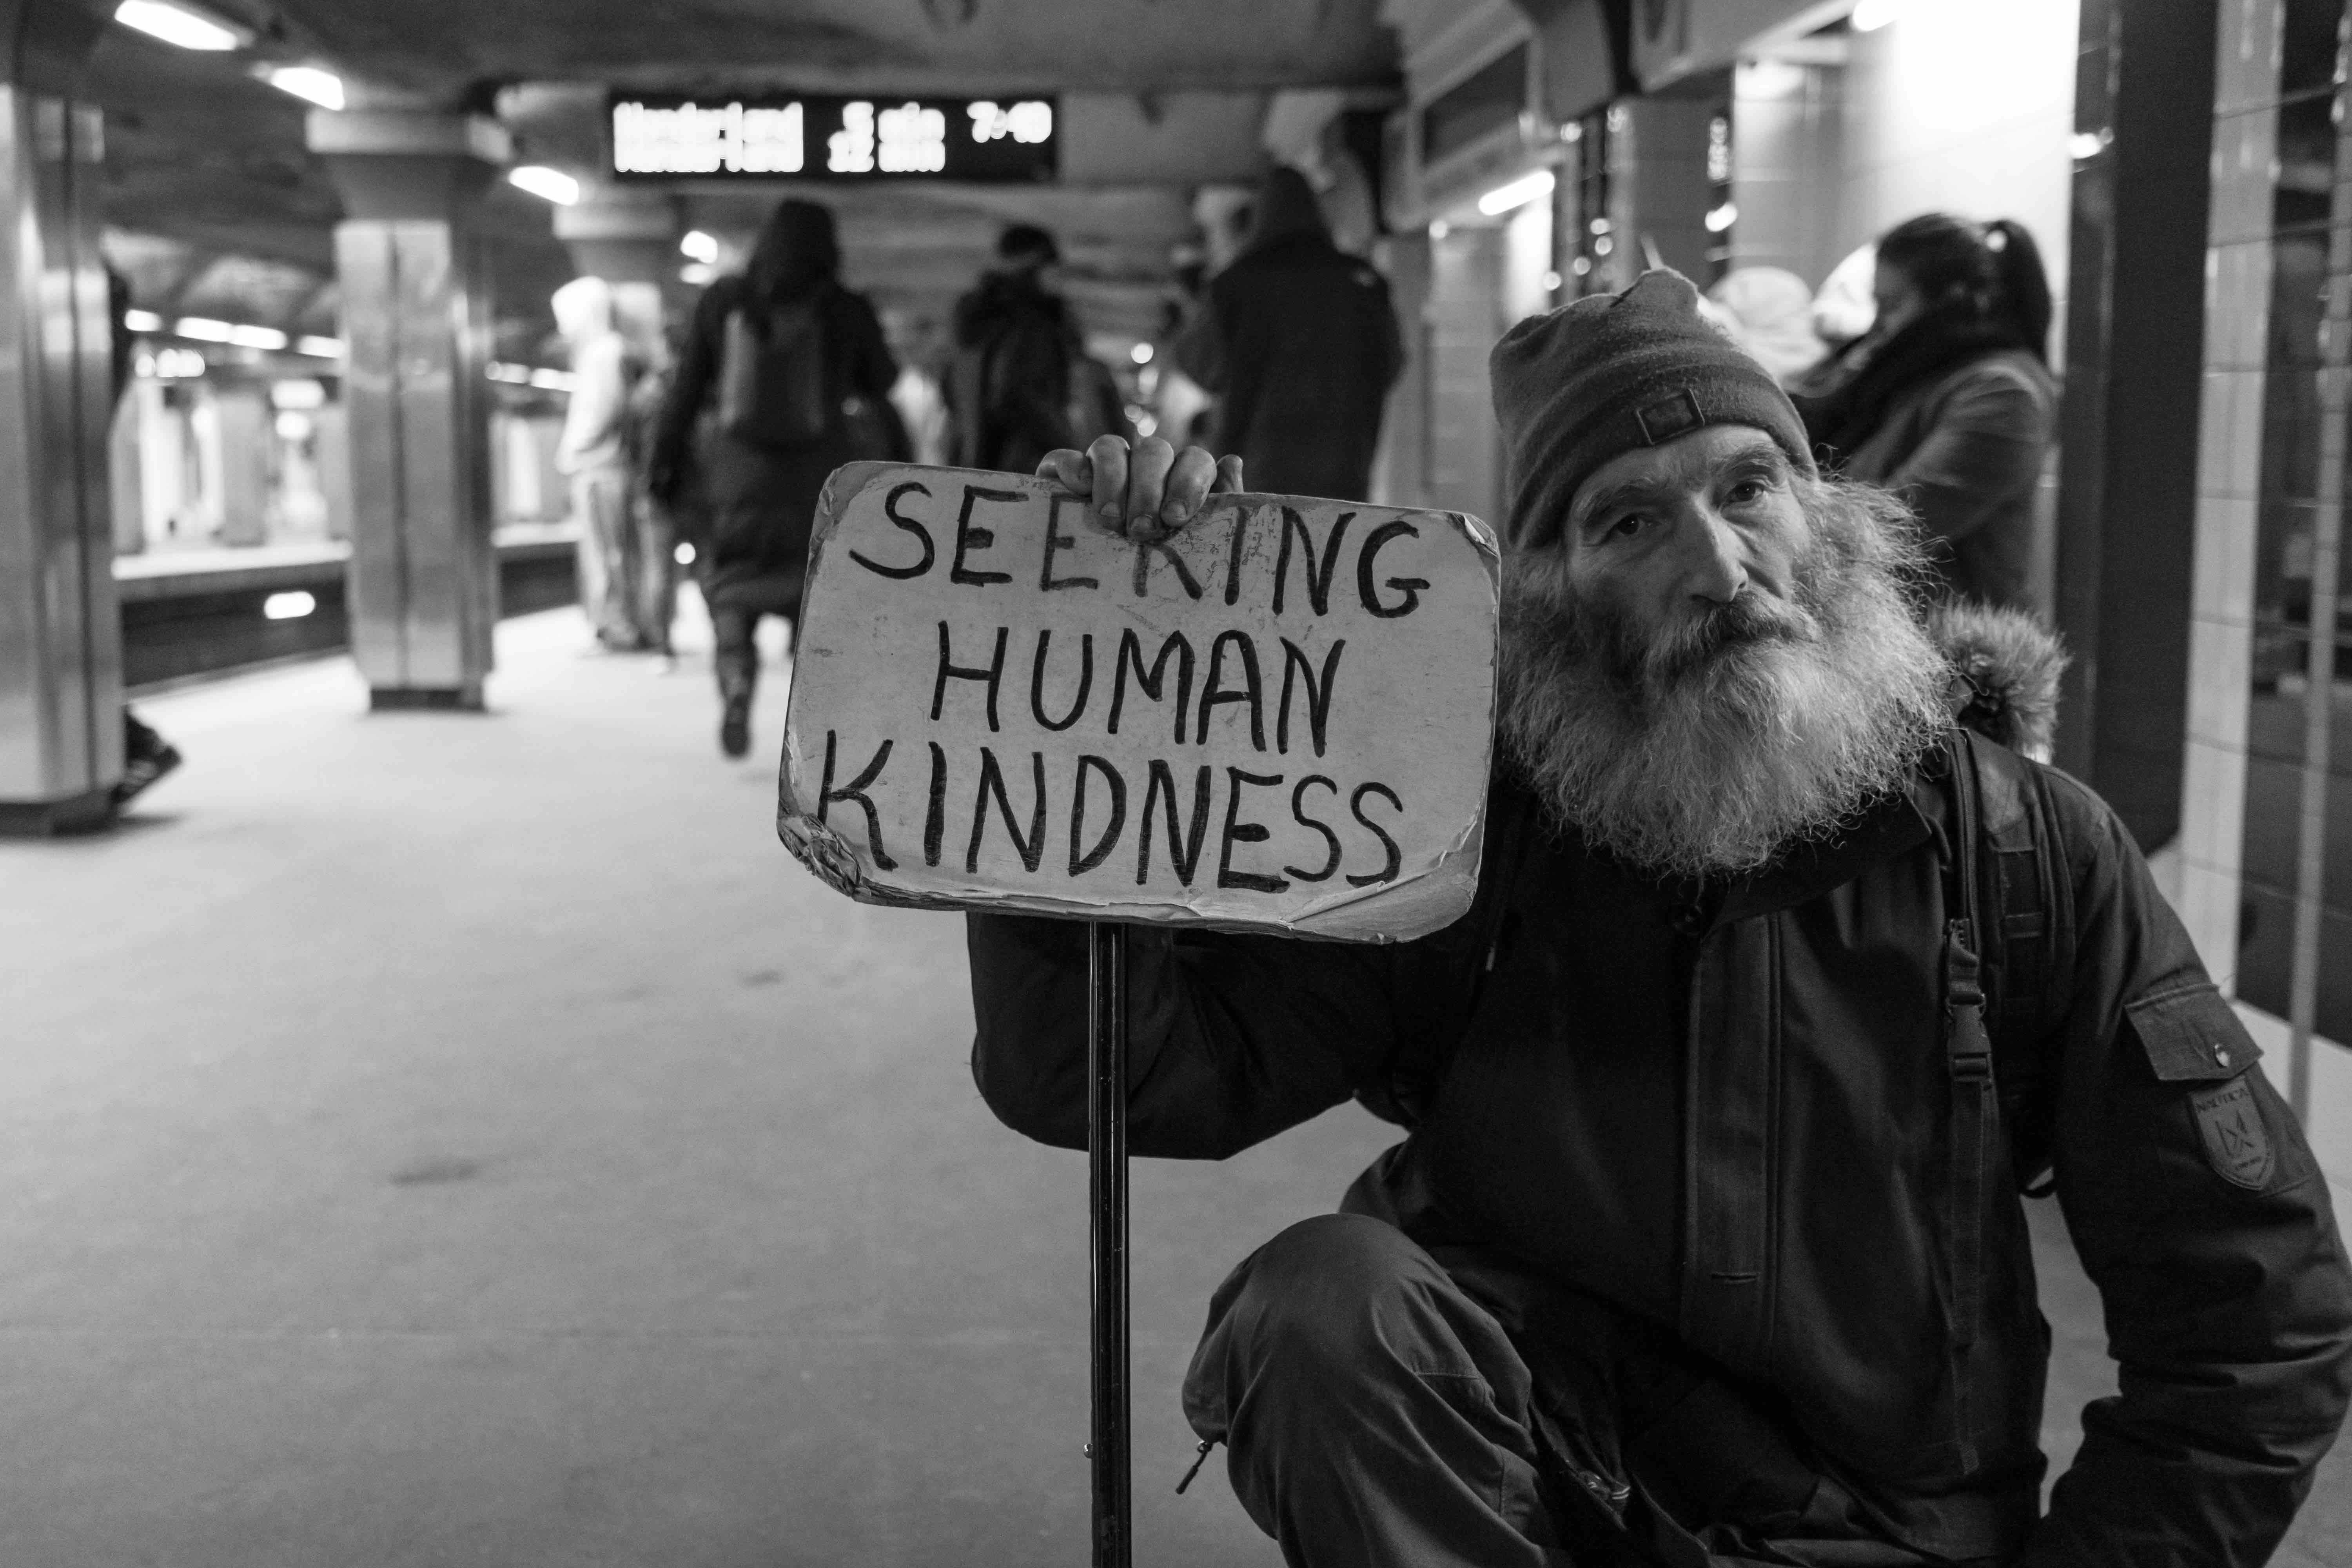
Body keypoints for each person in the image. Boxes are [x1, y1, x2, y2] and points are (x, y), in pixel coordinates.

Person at [967, 270, 2352, 1568]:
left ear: (1833, 520)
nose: (1717, 564)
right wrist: (1096, 670)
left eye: (1750, 487)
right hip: (1538, 1499)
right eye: (1628, 522)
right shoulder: (1457, 836)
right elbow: (1117, 1073)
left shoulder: (2026, 854)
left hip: (1883, 1533)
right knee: (1323, 1307)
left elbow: (2255, 1310)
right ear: (1554, 597)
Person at [648, 198, 898, 759]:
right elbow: (883, 382)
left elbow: (685, 392)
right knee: (818, 595)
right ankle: (816, 729)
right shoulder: (842, 306)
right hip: (819, 477)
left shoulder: (725, 300)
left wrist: (663, 468)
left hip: (737, 476)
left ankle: (737, 681)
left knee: (732, 588)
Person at [1792, 215, 2059, 612]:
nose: (1879, 325)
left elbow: (1890, 532)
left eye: (1893, 305)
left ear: (1953, 302)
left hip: (1957, 661)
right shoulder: (1912, 375)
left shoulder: (2002, 395)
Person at [1170, 165, 1402, 502]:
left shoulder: (1237, 283)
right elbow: (1391, 365)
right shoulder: (1365, 281)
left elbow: (1196, 361)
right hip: (1346, 470)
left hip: (1252, 473)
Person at [555, 276, 652, 653]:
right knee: (621, 552)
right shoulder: (618, 352)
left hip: (598, 468)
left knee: (606, 554)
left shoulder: (601, 355)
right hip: (615, 467)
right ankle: (627, 623)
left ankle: (617, 627)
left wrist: (569, 452)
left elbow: (600, 412)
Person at [948, 224, 1081, 475]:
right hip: (1027, 466)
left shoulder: (978, 319)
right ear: (1035, 265)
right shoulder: (1032, 323)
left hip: (975, 459)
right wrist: (1067, 447)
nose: (1059, 275)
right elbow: (1016, 394)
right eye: (1053, 263)